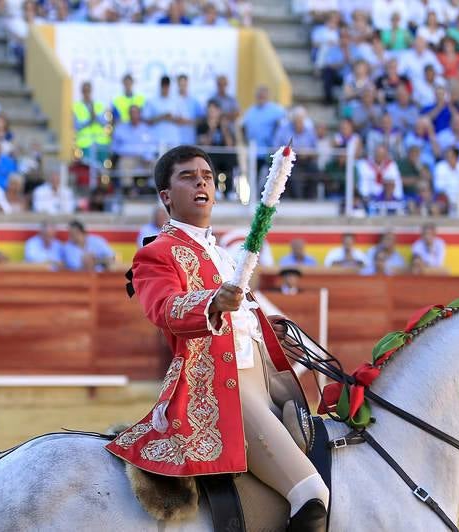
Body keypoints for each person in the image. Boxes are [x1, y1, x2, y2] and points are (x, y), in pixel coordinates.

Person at [105, 145, 329, 532]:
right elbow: (164, 308)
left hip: (264, 382)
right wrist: (211, 302)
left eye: (206, 177)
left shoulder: (222, 253)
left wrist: (263, 328)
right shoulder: (157, 253)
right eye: (188, 177)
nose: (201, 183)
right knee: (311, 494)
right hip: (221, 389)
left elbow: (238, 318)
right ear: (166, 196)